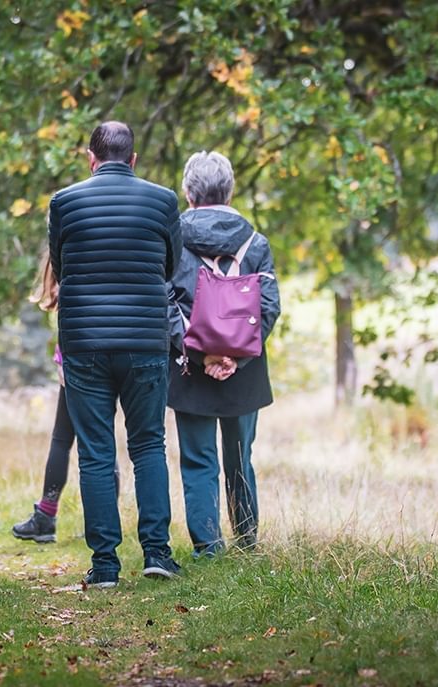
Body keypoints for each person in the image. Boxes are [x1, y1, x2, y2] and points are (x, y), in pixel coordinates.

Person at [46, 121, 183, 588]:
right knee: (148, 445)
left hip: (85, 343)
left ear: (91, 157)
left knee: (96, 452)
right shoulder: (163, 200)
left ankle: (105, 565)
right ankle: (157, 554)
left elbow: (61, 267)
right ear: (133, 158)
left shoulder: (64, 203)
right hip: (146, 340)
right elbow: (170, 265)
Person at [169, 152, 280, 555]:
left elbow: (165, 303)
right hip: (244, 370)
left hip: (189, 366)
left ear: (188, 191)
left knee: (197, 460)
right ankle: (247, 542)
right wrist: (237, 357)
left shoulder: (172, 239)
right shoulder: (256, 243)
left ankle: (208, 549)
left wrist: (203, 357)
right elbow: (269, 307)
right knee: (239, 457)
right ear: (230, 190)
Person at [9, 251, 75, 544]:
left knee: (66, 439)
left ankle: (47, 517)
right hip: (91, 356)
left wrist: (63, 359)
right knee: (95, 438)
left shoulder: (66, 250)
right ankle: (51, 515)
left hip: (78, 361)